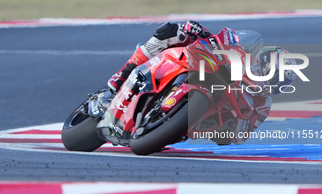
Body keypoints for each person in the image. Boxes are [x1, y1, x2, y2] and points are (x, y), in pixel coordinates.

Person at [107, 21, 296, 145]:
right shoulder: (247, 52)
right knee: (174, 32)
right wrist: (200, 32)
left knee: (221, 133)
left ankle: (168, 126)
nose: (274, 83)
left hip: (210, 113)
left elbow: (241, 136)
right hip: (212, 66)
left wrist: (233, 126)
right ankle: (121, 76)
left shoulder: (263, 104)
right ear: (265, 60)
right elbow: (227, 40)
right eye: (275, 76)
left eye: (280, 84)